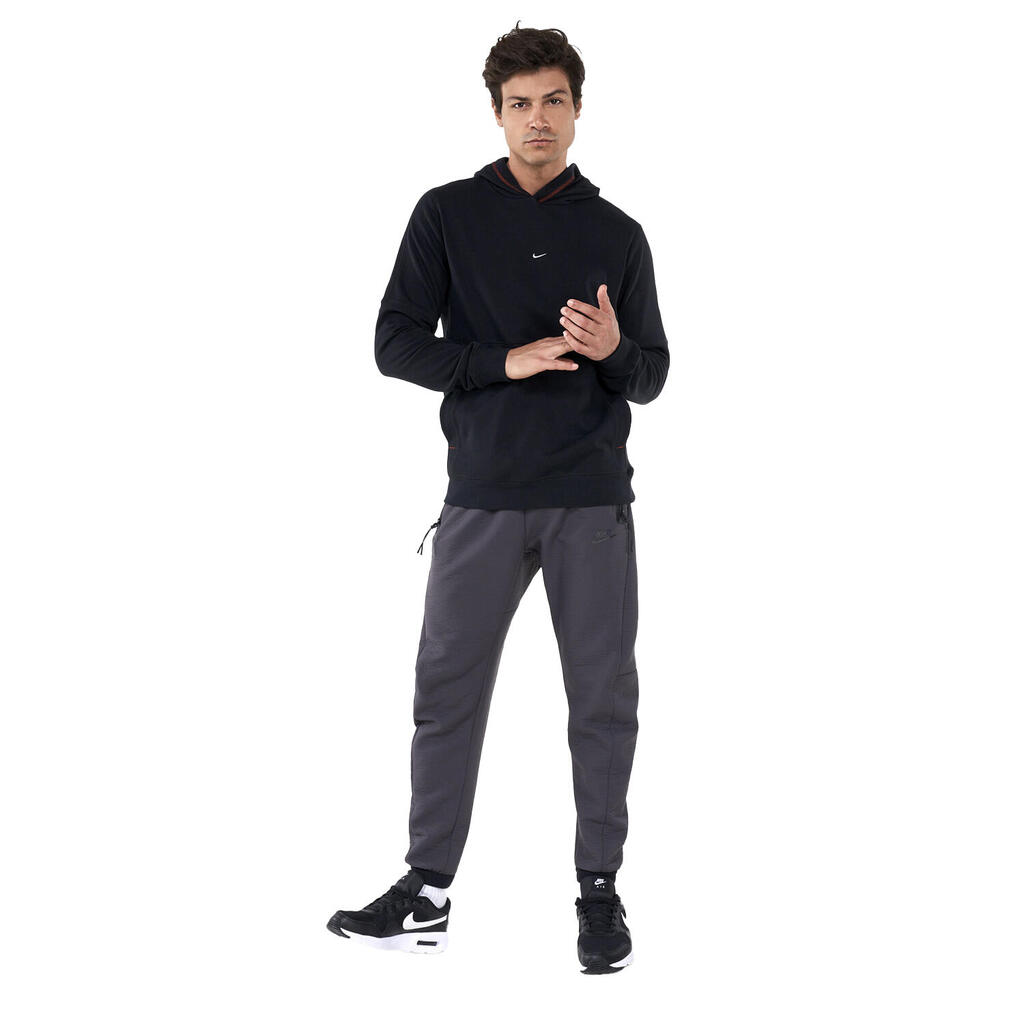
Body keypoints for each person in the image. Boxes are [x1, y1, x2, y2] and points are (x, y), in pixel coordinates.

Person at [326, 22, 669, 975]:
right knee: (445, 694)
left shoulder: (618, 234)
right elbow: (394, 343)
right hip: (480, 495)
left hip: (589, 501)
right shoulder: (446, 214)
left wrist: (613, 350)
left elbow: (652, 375)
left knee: (601, 701)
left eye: (554, 101)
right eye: (520, 104)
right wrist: (497, 362)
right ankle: (426, 891)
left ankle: (598, 891)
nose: (537, 119)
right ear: (497, 113)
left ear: (578, 109)